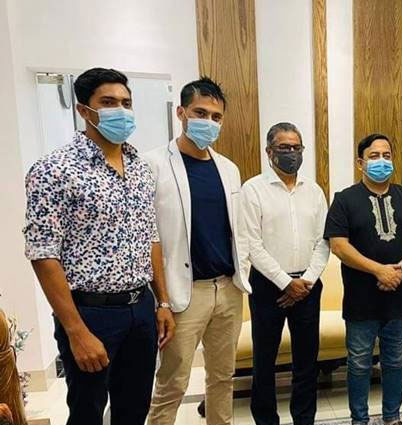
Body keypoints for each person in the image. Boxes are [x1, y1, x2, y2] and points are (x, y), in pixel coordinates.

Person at [23, 67, 174, 425]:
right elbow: (43, 254)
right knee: (87, 412)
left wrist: (162, 301)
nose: (120, 110)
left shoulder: (139, 168)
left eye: (126, 103)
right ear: (84, 110)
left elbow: (150, 236)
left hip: (141, 309)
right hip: (91, 312)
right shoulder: (54, 170)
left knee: (134, 409)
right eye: (108, 102)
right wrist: (76, 331)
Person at [145, 77, 251, 425]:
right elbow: (149, 237)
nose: (209, 122)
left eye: (216, 117)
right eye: (200, 113)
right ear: (181, 113)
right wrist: (161, 300)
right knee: (173, 382)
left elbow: (238, 229)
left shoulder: (229, 169)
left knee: (222, 377)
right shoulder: (153, 165)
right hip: (183, 293)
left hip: (228, 289)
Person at [325, 134, 402, 425]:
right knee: (359, 364)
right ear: (360, 163)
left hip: (401, 298)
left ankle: (391, 417)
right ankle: (359, 420)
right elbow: (338, 245)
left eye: (386, 155)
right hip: (361, 300)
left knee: (395, 362)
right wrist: (378, 270)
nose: (381, 161)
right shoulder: (344, 199)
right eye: (374, 156)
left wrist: (401, 270)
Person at [242, 122, 330, 425]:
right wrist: (285, 283)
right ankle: (266, 420)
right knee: (264, 362)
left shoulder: (314, 191)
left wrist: (306, 281)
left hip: (308, 285)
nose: (291, 153)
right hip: (268, 287)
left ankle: (304, 419)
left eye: (296, 147)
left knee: (306, 362)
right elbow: (252, 245)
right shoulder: (253, 189)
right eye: (284, 147)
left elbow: (323, 241)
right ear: (269, 151)